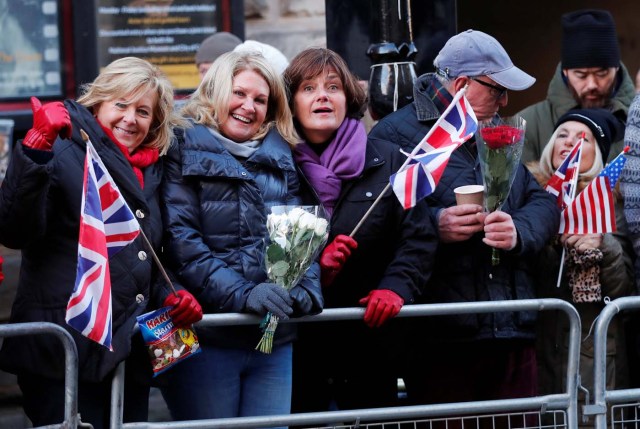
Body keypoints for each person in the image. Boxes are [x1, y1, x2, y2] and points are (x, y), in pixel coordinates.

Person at [0, 57, 203, 429]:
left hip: (128, 353)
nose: (130, 119)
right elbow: (14, 230)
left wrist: (175, 294)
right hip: (63, 353)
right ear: (98, 103)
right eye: (121, 105)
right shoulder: (63, 149)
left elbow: (148, 253)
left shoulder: (153, 169)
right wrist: (35, 147)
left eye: (143, 111)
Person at [368, 29, 560, 405]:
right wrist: (434, 224)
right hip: (441, 335)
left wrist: (518, 231)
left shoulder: (498, 126)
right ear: (461, 85)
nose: (505, 100)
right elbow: (377, 219)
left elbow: (543, 205)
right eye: (496, 90)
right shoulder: (393, 134)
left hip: (511, 327)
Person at [158, 51, 323, 424]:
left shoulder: (282, 155)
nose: (248, 106)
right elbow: (183, 243)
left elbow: (303, 235)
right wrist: (245, 295)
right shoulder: (180, 145)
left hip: (272, 340)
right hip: (206, 336)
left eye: (260, 99)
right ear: (215, 91)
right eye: (239, 93)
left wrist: (304, 291)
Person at [284, 48, 437, 412]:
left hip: (370, 340)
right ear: (290, 103)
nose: (323, 95)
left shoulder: (390, 159)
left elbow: (418, 237)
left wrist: (394, 287)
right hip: (299, 344)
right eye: (308, 88)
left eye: (333, 86)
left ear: (348, 98)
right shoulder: (277, 164)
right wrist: (314, 269)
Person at [528, 108, 633, 418]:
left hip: (595, 353)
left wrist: (605, 245)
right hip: (538, 348)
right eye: (562, 135)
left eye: (581, 138)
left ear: (597, 153)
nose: (569, 143)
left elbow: (623, 288)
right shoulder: (528, 194)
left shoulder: (609, 206)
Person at [518, 9, 635, 164]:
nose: (592, 84)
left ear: (617, 69)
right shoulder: (527, 124)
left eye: (601, 74)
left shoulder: (635, 120)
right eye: (581, 75)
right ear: (565, 72)